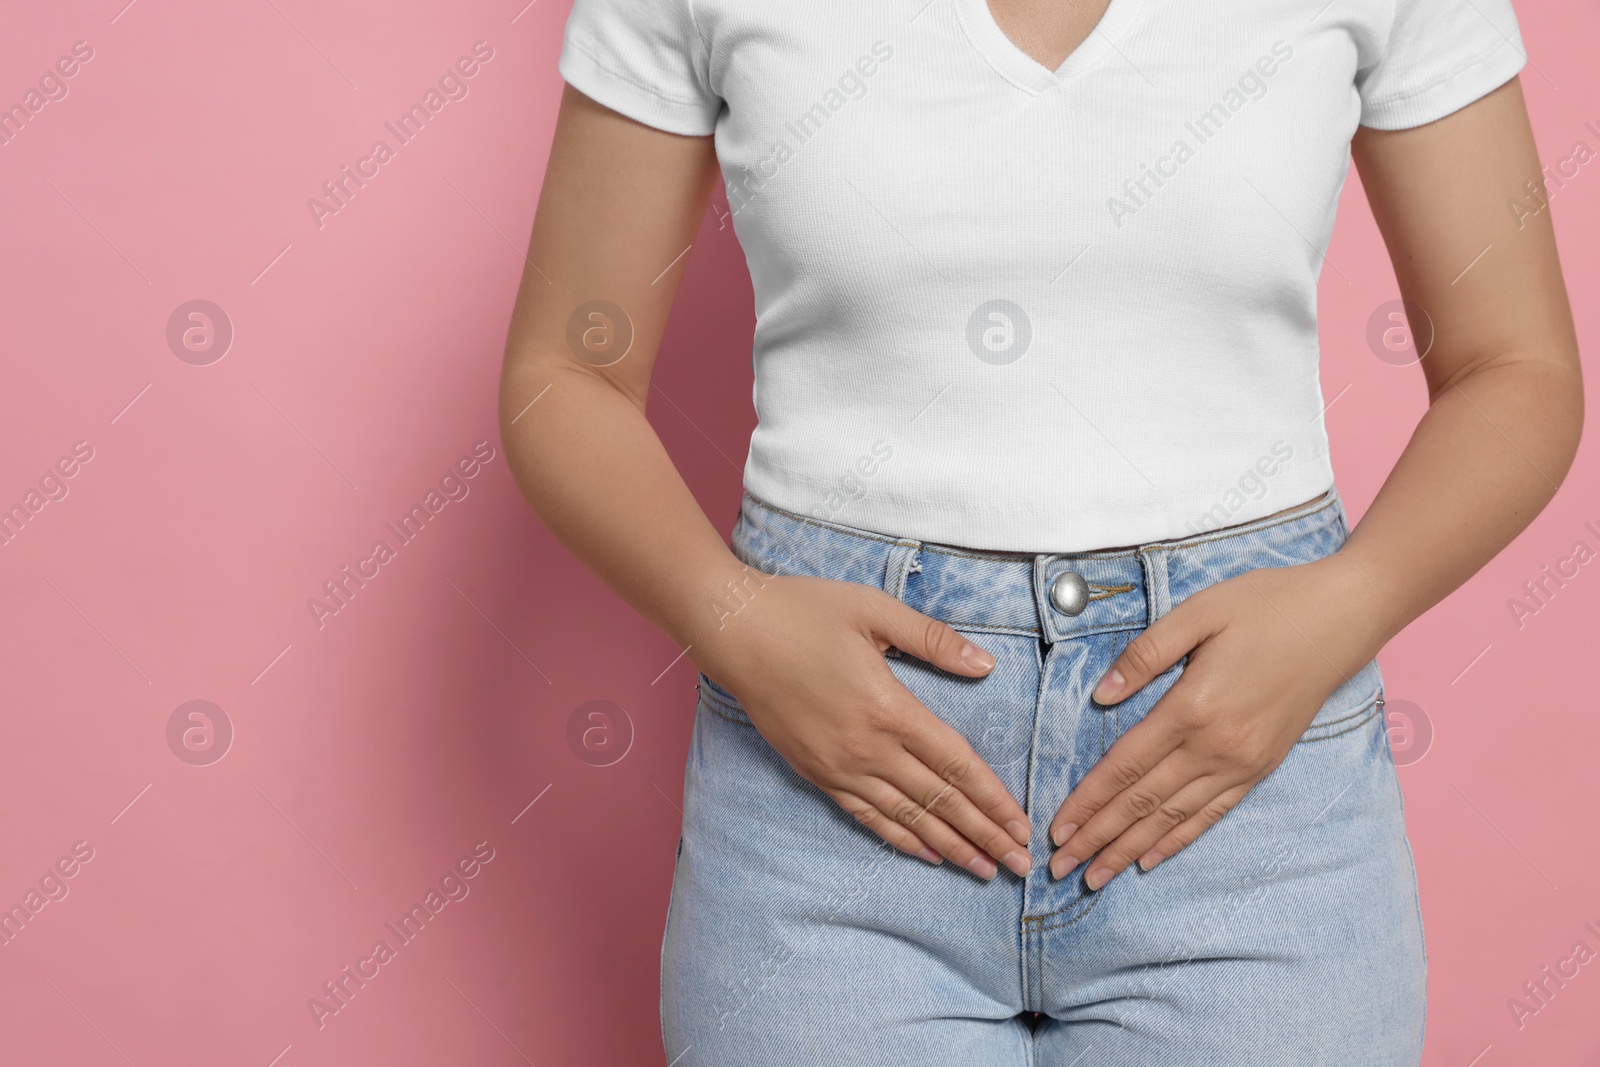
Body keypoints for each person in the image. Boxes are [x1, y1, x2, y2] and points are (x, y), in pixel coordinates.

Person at [498, 0, 1583, 1062]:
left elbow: (1515, 368)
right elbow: (568, 372)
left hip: (1245, 776)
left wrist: (1343, 608)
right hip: (824, 782)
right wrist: (728, 616)